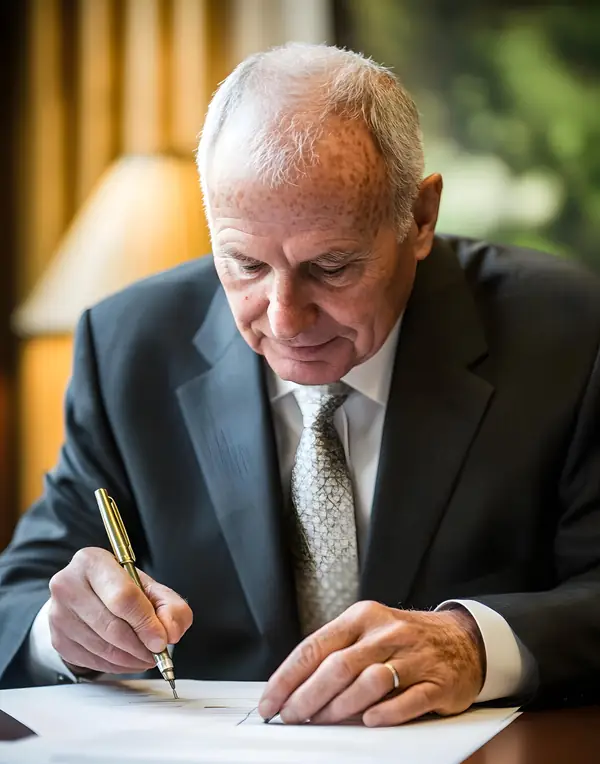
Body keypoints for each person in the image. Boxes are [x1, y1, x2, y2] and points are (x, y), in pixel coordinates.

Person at [1, 43, 599, 726]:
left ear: (421, 216)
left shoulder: (570, 335)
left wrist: (475, 644)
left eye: (332, 267)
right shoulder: (130, 346)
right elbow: (18, 596)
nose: (284, 317)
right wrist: (64, 630)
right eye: (246, 263)